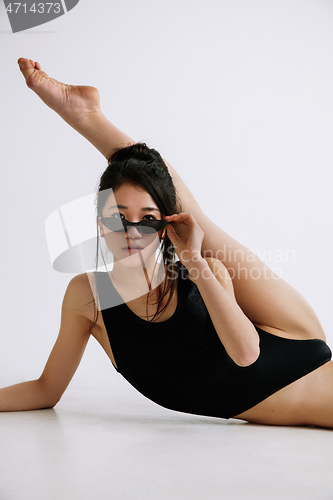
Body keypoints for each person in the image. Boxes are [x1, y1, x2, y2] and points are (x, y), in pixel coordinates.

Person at [1, 58, 332, 429]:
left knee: (195, 218)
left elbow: (246, 354)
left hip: (293, 341)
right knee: (160, 196)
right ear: (98, 222)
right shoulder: (86, 297)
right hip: (292, 366)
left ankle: (88, 116)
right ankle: (87, 114)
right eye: (117, 218)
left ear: (162, 227)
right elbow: (46, 390)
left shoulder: (203, 273)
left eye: (148, 220)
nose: (131, 232)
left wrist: (195, 261)